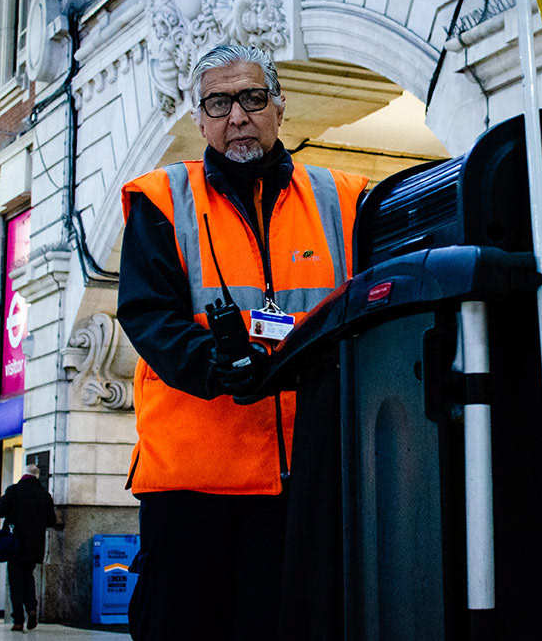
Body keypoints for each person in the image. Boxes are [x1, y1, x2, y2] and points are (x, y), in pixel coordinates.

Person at [117, 44, 368, 640]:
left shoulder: (348, 198)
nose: (238, 116)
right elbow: (149, 314)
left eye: (253, 98)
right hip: (192, 485)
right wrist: (213, 363)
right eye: (219, 102)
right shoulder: (161, 198)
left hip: (304, 481)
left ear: (279, 108)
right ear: (199, 118)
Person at [0, 463, 56, 632]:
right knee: (28, 577)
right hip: (35, 545)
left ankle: (18, 620)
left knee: (15, 581)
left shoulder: (13, 491)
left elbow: (0, 512)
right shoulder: (45, 495)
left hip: (14, 543)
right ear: (37, 477)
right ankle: (31, 608)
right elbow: (51, 521)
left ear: (23, 475)